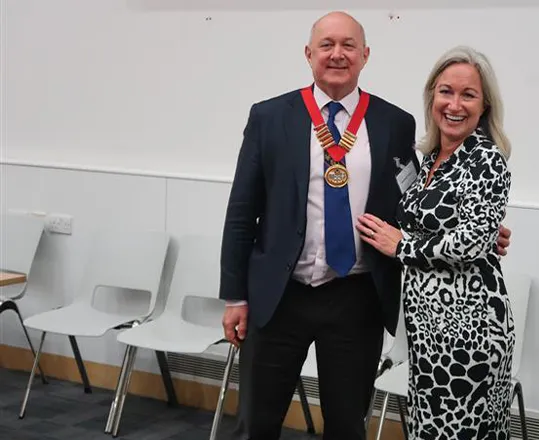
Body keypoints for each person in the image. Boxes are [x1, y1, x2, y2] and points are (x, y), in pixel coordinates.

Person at [219, 12, 512, 440]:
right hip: (278, 297)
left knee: (346, 426)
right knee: (255, 425)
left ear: (365, 55)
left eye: (349, 46)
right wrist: (235, 295)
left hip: (356, 300)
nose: (338, 54)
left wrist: (484, 236)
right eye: (327, 45)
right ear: (309, 54)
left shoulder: (394, 124)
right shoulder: (270, 117)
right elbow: (242, 210)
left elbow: (411, 206)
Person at [356, 45, 515, 439]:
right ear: (432, 97)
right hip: (427, 331)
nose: (454, 104)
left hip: (469, 333)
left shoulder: (487, 160)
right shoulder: (427, 159)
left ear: (485, 106)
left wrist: (402, 246)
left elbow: (469, 243)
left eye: (468, 95)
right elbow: (455, 228)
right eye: (446, 92)